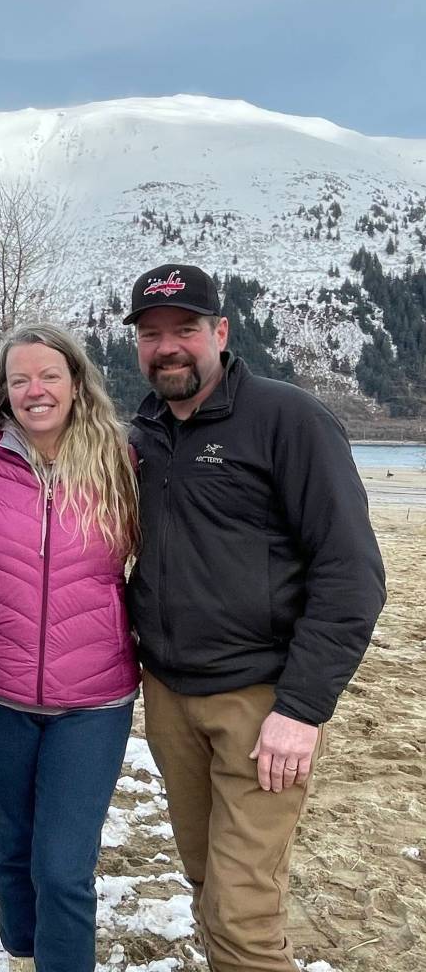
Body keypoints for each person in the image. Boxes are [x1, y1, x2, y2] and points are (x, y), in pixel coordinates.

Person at [123, 263, 387, 972]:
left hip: (261, 701)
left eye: (184, 330)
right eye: (151, 334)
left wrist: (301, 708)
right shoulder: (142, 433)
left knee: (240, 917)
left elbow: (350, 573)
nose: (167, 347)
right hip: (171, 696)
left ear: (220, 332)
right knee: (208, 883)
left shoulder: (286, 418)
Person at [0, 323, 140, 972]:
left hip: (93, 699)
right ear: (3, 392)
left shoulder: (120, 460)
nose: (35, 390)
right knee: (11, 847)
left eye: (49, 376)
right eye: (19, 379)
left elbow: (178, 554)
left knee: (62, 867)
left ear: (75, 382)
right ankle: (23, 956)